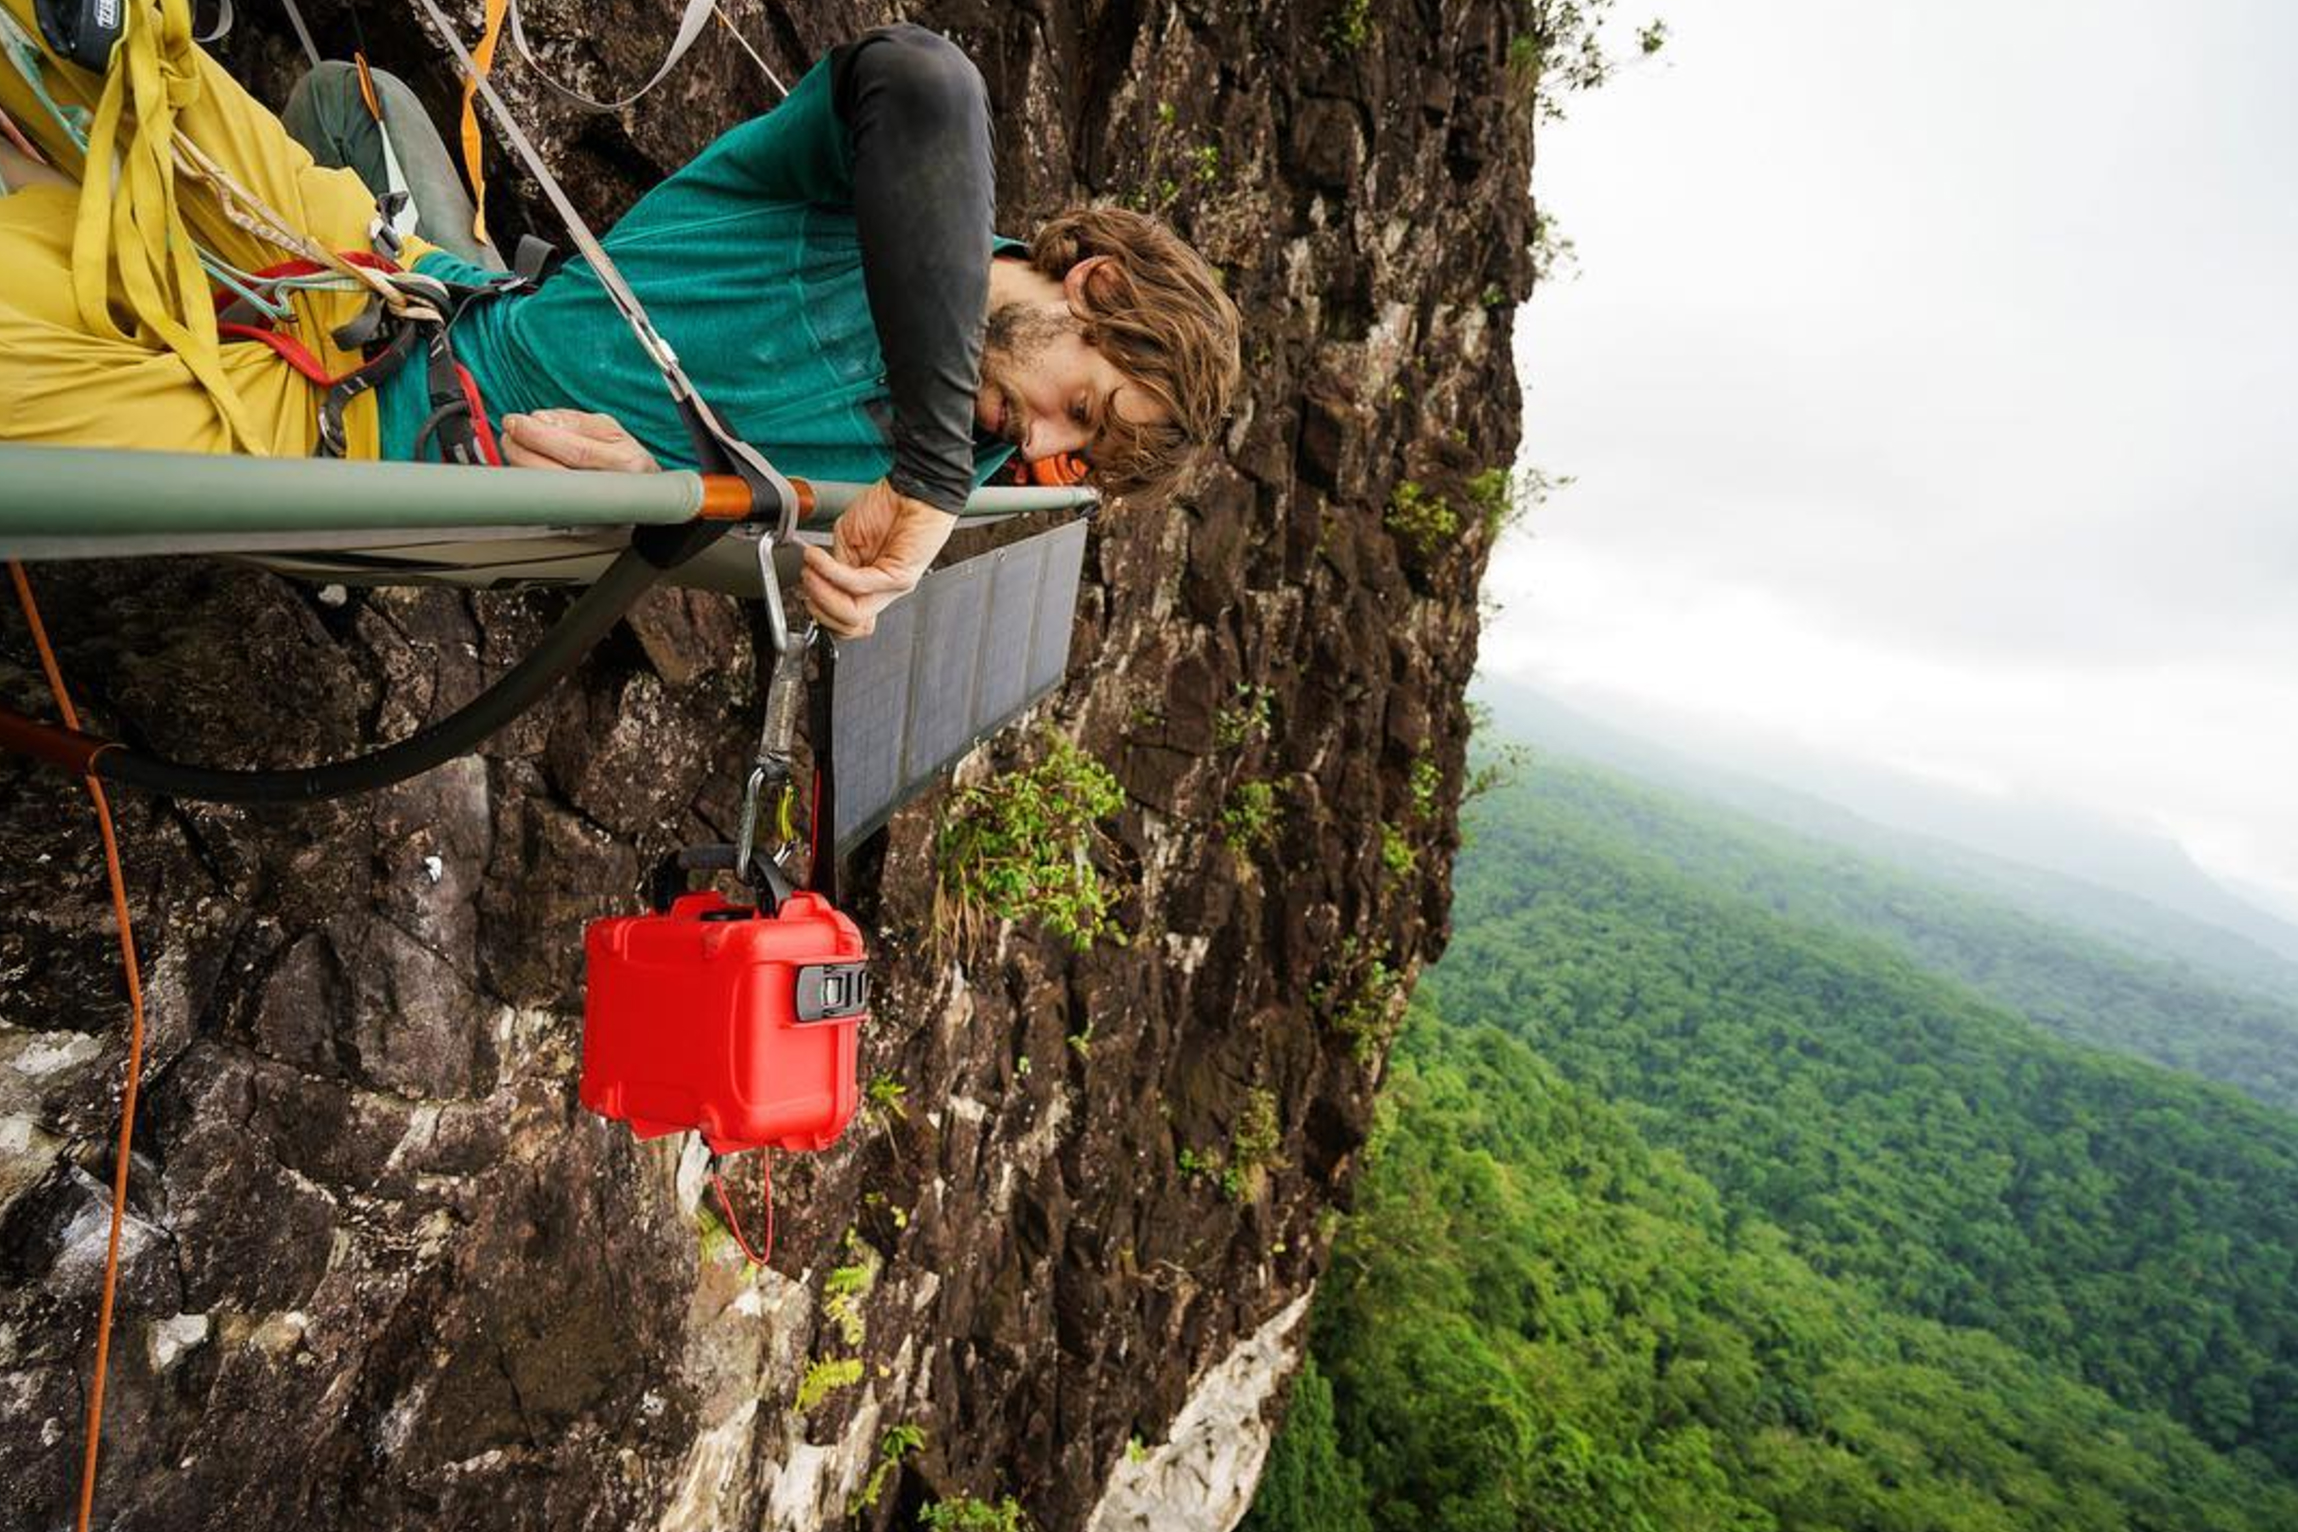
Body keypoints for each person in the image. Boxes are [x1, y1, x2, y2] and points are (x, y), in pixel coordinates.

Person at [0, 6, 1242, 638]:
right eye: (1078, 405)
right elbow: (923, 83)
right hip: (405, 286)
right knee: (118, 57)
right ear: (1092, 290)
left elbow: (718, 544)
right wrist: (921, 475)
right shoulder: (863, 208)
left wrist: (653, 493)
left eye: (1065, 450)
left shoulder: (939, 479)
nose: (1028, 443)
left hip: (356, 455)